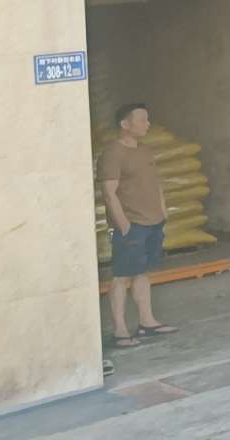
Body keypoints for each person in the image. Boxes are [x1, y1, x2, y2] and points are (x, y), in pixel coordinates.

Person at [99, 104, 179, 348]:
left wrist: (162, 211)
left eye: (147, 119)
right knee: (122, 277)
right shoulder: (113, 153)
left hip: (153, 221)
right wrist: (123, 225)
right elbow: (109, 192)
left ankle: (147, 322)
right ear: (125, 124)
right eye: (142, 120)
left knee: (143, 273)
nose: (147, 124)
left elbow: (156, 184)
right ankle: (120, 331)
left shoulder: (145, 150)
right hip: (132, 224)